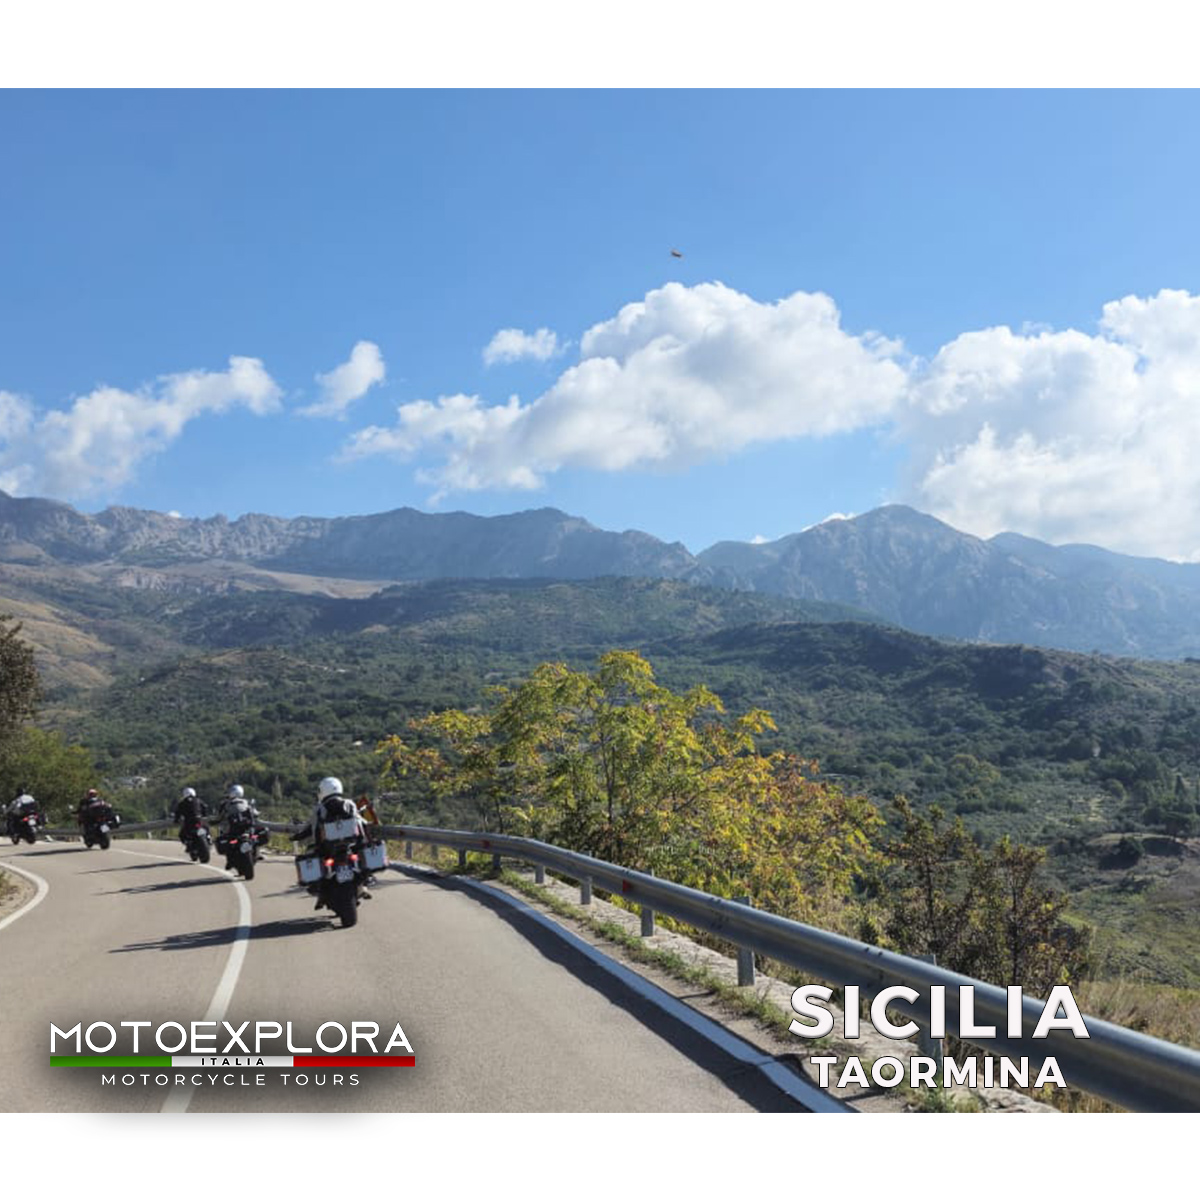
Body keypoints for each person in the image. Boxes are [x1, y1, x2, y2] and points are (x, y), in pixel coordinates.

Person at [297, 777, 372, 909]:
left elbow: (311, 826)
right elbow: (361, 822)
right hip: (351, 845)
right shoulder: (349, 804)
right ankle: (364, 884)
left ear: (322, 791)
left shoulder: (320, 808)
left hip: (327, 848)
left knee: (314, 859)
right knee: (361, 858)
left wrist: (298, 835)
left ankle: (321, 894)